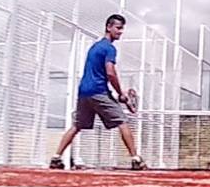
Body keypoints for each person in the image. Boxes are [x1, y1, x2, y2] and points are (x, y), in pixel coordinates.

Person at [50, 14, 144, 170]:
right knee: (122, 122)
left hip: (84, 93)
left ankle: (56, 157)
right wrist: (121, 93)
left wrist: (116, 93)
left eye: (122, 29)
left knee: (77, 126)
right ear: (108, 27)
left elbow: (98, 73)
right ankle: (136, 159)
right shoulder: (109, 48)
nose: (121, 32)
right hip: (98, 91)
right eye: (118, 28)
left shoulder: (95, 47)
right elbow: (110, 72)